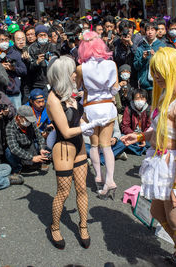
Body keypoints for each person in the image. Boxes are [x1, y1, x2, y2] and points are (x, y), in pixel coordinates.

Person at [121, 47, 176, 266]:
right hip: (163, 160)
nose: (157, 78)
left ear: (175, 69)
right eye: (155, 73)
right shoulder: (167, 91)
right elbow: (161, 129)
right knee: (157, 211)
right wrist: (141, 135)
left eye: (160, 73)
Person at [47, 56, 108, 249]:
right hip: (63, 147)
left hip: (79, 144)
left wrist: (85, 124)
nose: (76, 74)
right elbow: (65, 131)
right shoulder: (52, 100)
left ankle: (83, 226)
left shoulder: (70, 92)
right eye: (72, 71)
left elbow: (77, 118)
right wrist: (89, 126)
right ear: (64, 74)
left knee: (82, 188)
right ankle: (54, 227)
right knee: (63, 192)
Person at [77, 31, 119, 199]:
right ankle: (110, 179)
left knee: (94, 145)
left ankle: (98, 175)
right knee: (106, 145)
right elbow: (115, 88)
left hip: (91, 108)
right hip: (108, 106)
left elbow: (78, 88)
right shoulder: (111, 64)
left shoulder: (81, 68)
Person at [5, 105, 48, 175]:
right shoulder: (10, 127)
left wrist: (42, 148)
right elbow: (14, 148)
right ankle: (17, 168)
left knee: (39, 145)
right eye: (27, 120)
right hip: (19, 149)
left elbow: (39, 136)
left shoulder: (31, 122)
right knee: (8, 151)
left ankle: (39, 162)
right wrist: (31, 158)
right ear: (19, 117)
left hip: (30, 145)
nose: (29, 122)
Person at [133, 22, 166, 95]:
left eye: (152, 29)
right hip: (144, 85)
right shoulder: (140, 48)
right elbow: (136, 66)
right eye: (148, 30)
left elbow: (165, 65)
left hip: (158, 84)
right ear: (145, 32)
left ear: (156, 32)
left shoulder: (162, 47)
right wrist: (143, 58)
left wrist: (156, 58)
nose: (150, 32)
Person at [121, 88, 151, 156]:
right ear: (133, 99)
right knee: (122, 138)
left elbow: (150, 127)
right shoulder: (128, 109)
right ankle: (143, 149)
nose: (139, 101)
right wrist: (133, 134)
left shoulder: (150, 109)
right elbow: (125, 126)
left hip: (145, 136)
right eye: (137, 98)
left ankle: (136, 149)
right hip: (132, 135)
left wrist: (142, 136)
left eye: (142, 98)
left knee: (154, 140)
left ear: (146, 100)